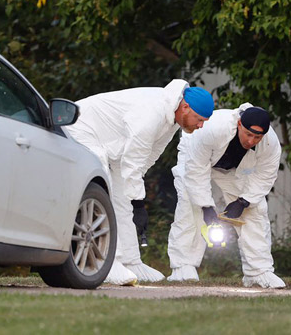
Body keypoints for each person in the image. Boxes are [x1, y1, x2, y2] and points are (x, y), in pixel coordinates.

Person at [65, 79, 214, 285]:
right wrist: (138, 203)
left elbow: (147, 158)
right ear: (185, 107)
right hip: (80, 128)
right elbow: (134, 159)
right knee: (104, 188)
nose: (201, 126)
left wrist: (134, 197)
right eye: (199, 119)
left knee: (123, 195)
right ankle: (108, 262)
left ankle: (131, 261)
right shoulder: (152, 113)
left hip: (111, 144)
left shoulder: (172, 119)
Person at [167, 103, 286, 288]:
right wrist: (206, 206)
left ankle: (258, 272)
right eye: (248, 134)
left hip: (231, 169)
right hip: (195, 158)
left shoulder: (270, 143)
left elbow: (265, 175)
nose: (251, 141)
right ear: (239, 124)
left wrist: (244, 201)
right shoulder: (213, 129)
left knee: (255, 210)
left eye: (257, 137)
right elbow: (196, 171)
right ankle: (183, 267)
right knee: (190, 206)